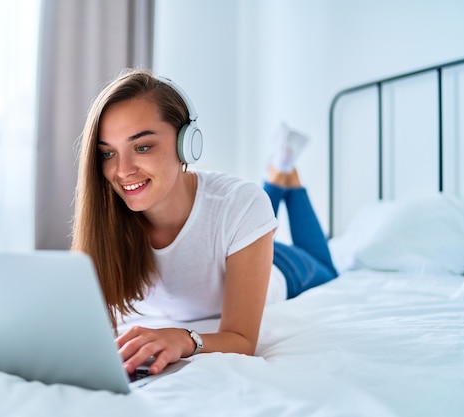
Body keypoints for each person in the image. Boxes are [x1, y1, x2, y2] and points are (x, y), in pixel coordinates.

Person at [71, 68, 336, 377]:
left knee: (327, 268)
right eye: (107, 154)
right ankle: (280, 172)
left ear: (187, 144)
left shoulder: (241, 202)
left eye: (142, 147)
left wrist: (183, 339)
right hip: (237, 233)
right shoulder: (106, 219)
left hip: (280, 265)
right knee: (248, 212)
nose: (123, 170)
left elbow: (242, 340)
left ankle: (282, 173)